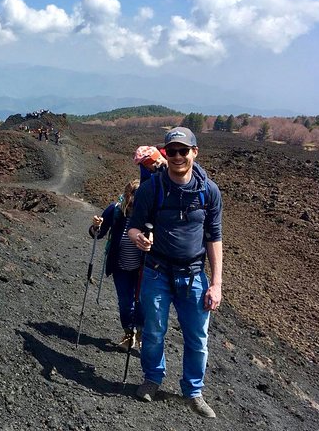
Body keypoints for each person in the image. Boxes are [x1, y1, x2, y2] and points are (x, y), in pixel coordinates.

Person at [128, 126, 223, 418]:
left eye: (184, 150)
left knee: (197, 337)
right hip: (156, 272)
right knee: (155, 331)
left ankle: (193, 392)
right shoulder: (151, 189)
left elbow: (214, 237)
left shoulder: (209, 191)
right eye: (173, 151)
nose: (178, 156)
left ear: (195, 152)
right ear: (165, 154)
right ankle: (152, 379)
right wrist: (137, 238)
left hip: (194, 275)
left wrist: (216, 283)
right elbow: (133, 225)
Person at [89, 180, 144, 349]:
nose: (135, 198)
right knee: (125, 301)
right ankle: (129, 333)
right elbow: (98, 233)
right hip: (120, 265)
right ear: (127, 194)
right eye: (133, 194)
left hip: (143, 267)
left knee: (142, 302)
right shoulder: (115, 210)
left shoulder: (148, 214)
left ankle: (141, 332)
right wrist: (96, 226)